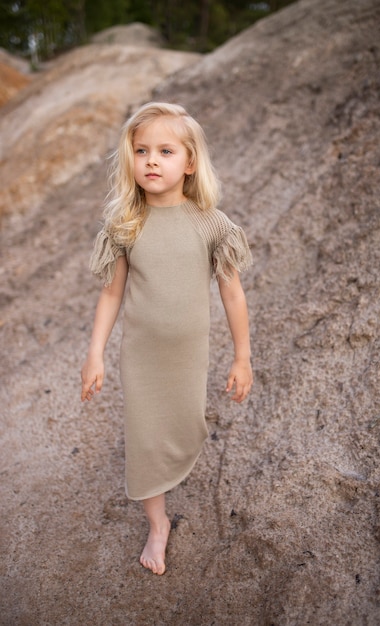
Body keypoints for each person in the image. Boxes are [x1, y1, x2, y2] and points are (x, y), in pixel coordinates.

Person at [81, 102, 253, 576]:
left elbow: (233, 295)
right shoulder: (125, 226)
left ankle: (173, 465)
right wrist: (95, 353)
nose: (151, 160)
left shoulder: (211, 224)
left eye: (165, 150)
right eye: (141, 151)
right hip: (141, 357)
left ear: (190, 162)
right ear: (129, 159)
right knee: (145, 438)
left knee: (183, 425)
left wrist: (243, 357)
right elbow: (111, 294)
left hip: (187, 357)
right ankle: (158, 524)